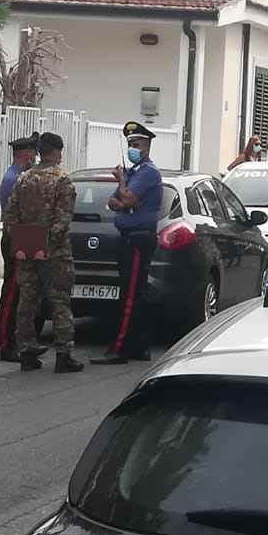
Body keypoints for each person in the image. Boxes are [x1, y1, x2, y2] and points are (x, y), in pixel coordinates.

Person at [3, 132, 82, 373]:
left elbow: (10, 216)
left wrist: (23, 243)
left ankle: (26, 352)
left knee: (27, 300)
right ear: (57, 152)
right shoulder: (62, 180)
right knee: (59, 300)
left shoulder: (24, 179)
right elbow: (63, 219)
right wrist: (47, 241)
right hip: (55, 252)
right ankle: (63, 354)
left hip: (27, 250)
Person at [95, 122, 163, 364]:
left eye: (136, 144)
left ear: (147, 146)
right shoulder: (135, 172)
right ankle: (141, 347)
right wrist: (126, 200)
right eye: (130, 144)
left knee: (130, 296)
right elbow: (113, 201)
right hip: (128, 237)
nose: (132, 148)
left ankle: (119, 349)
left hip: (138, 239)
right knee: (137, 294)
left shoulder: (147, 172)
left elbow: (127, 197)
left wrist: (123, 186)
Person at [0, 132, 39, 362]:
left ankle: (22, 341)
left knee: (24, 292)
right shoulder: (14, 178)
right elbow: (16, 215)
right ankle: (6, 343)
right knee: (12, 291)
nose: (35, 158)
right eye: (33, 153)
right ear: (26, 154)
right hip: (16, 237)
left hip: (24, 235)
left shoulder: (20, 176)